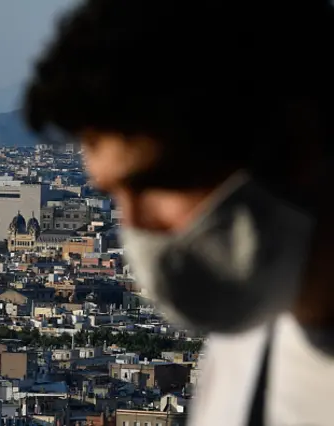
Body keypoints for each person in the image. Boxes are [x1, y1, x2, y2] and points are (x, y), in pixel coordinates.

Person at [23, 0, 334, 424]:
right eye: (115, 194)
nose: (135, 226)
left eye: (158, 183)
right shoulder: (239, 351)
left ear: (298, 144)